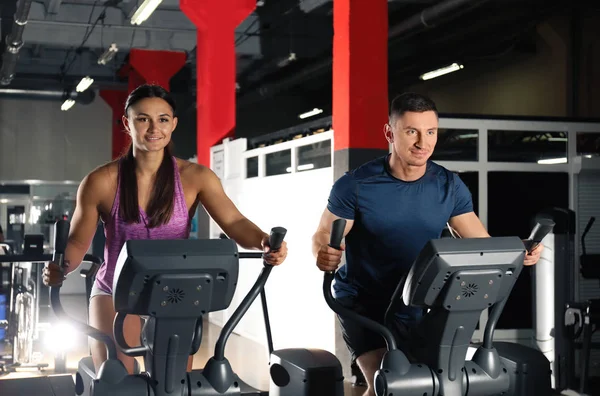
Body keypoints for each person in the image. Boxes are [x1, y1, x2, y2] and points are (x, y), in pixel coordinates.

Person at [42, 84, 288, 375]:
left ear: (173, 124)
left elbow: (234, 222)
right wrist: (62, 266)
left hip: (173, 289)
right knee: (116, 378)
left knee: (171, 382)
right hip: (116, 289)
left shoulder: (196, 177)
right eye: (143, 118)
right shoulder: (101, 181)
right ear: (127, 123)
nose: (153, 128)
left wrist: (262, 241)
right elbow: (78, 241)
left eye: (162, 119)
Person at [311, 92, 543, 396]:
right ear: (389, 133)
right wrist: (323, 254)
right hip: (364, 301)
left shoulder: (448, 185)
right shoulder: (355, 186)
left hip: (416, 301)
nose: (423, 142)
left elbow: (480, 244)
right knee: (388, 383)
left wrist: (517, 251)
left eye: (430, 132)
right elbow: (322, 234)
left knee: (418, 386)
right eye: (412, 131)